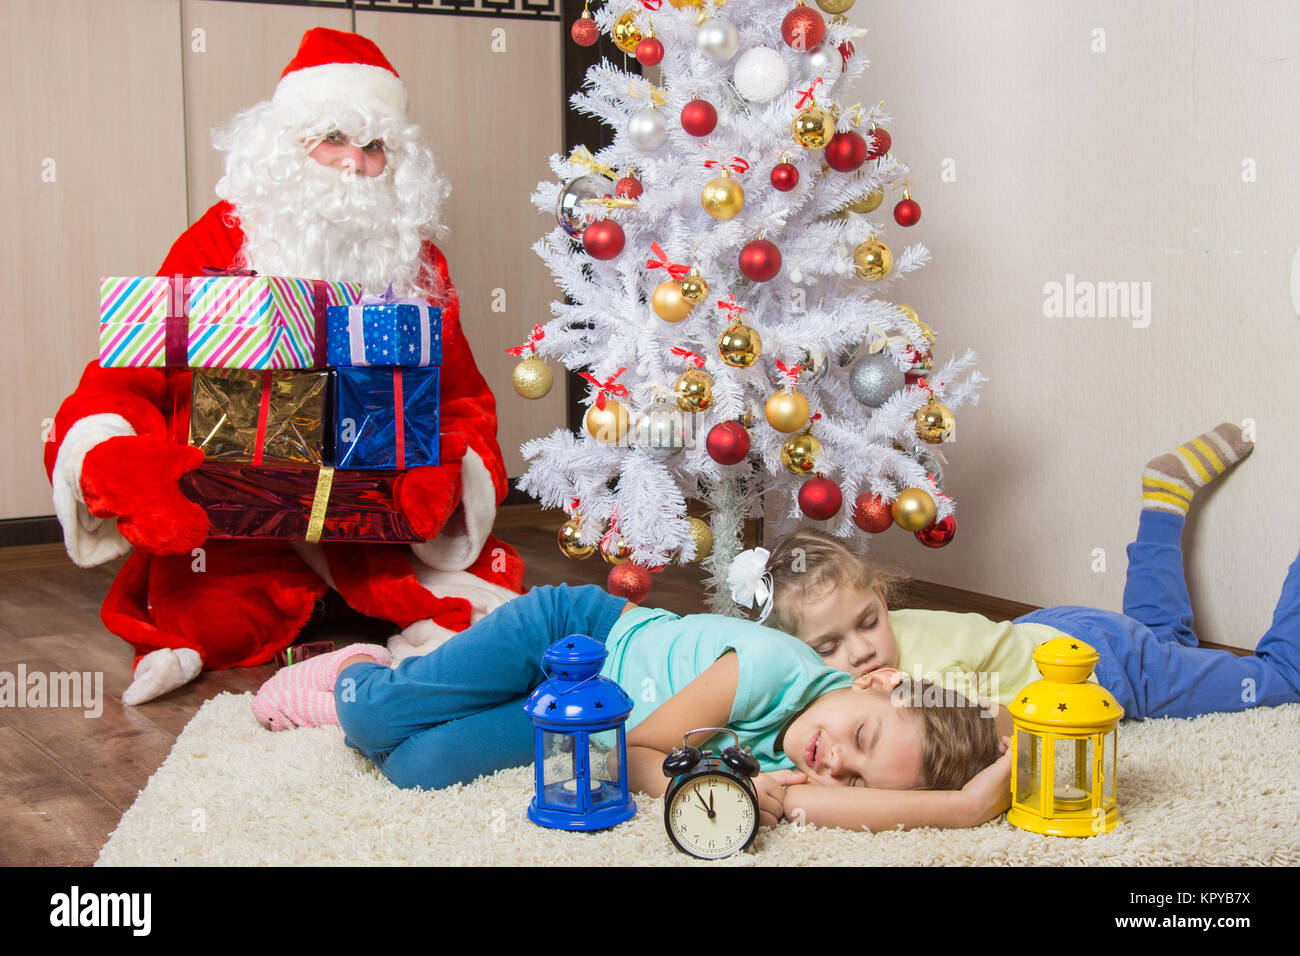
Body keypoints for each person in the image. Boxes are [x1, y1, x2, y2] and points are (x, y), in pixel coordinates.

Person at [43, 28, 523, 705]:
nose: (355, 165)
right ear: (287, 148)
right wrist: (113, 459)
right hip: (233, 520)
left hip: (370, 519)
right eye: (334, 139)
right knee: (216, 619)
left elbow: (463, 398)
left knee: (462, 602)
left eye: (375, 146)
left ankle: (348, 629)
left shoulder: (415, 264)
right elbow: (124, 374)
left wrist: (448, 471)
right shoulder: (217, 239)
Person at [251, 584, 1010, 831]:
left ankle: (412, 689)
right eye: (861, 736)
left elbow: (839, 805)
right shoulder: (777, 668)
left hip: (581, 726)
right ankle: (360, 668)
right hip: (570, 637)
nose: (833, 762)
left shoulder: (813, 756)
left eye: (853, 776)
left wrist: (965, 806)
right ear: (873, 683)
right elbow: (639, 751)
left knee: (420, 766)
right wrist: (717, 783)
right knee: (376, 724)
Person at [748, 424, 1300, 725]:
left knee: (1280, 681)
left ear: (881, 598)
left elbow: (990, 728)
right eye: (828, 648)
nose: (862, 652)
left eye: (868, 622)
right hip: (1048, 632)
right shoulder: (850, 657)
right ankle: (1162, 501)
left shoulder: (929, 674)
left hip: (1101, 671)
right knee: (1161, 638)